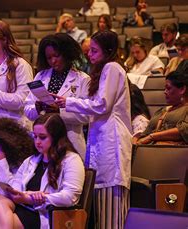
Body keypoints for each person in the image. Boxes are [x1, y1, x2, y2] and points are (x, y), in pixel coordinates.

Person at [53, 30, 132, 229]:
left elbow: (102, 104)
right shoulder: (104, 70)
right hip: (102, 139)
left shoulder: (112, 68)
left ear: (109, 51)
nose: (89, 55)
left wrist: (67, 102)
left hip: (111, 142)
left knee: (112, 214)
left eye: (95, 51)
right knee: (101, 211)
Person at [0, 113, 85, 229]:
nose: (37, 141)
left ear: (56, 137)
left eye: (42, 137)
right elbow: (16, 186)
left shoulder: (71, 160)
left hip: (44, 214)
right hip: (24, 209)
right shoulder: (31, 160)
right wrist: (22, 194)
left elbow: (70, 197)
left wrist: (38, 198)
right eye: (35, 136)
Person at [25, 33, 90, 159]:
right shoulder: (40, 76)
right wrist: (37, 109)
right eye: (49, 58)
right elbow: (28, 111)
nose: (53, 61)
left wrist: (60, 111)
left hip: (71, 140)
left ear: (66, 53)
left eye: (56, 56)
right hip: (44, 143)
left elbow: (86, 116)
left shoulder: (82, 79)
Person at [134, 71, 187, 145]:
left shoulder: (186, 109)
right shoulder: (161, 111)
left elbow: (184, 130)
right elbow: (145, 133)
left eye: (168, 88)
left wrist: (152, 137)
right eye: (165, 88)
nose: (165, 92)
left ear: (182, 90)